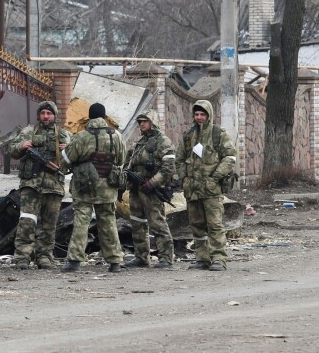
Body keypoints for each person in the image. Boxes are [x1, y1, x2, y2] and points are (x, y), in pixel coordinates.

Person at [60, 103, 125, 273]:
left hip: (84, 186)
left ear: (89, 117)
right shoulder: (116, 136)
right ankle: (115, 261)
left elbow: (66, 160)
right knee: (109, 222)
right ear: (104, 117)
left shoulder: (81, 136)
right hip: (108, 187)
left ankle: (74, 261)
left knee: (81, 222)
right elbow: (121, 160)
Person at [8, 101, 72, 269]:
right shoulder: (29, 131)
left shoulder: (64, 135)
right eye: (43, 113)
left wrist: (68, 151)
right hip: (31, 185)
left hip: (54, 186)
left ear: (55, 116)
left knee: (50, 224)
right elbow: (12, 150)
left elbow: (74, 161)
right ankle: (22, 256)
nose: (45, 116)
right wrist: (22, 145)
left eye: (49, 114)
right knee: (27, 222)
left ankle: (44, 256)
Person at [176, 100, 237, 272]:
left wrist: (215, 177)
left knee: (215, 225)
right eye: (196, 114)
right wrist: (184, 179)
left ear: (208, 115)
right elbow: (179, 158)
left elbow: (230, 157)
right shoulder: (188, 135)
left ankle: (218, 258)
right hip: (193, 189)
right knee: (197, 225)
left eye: (202, 114)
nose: (199, 117)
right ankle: (202, 258)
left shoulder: (218, 134)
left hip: (211, 189)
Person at [124, 110, 175, 268]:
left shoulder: (163, 141)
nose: (141, 124)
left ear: (152, 121)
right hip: (136, 189)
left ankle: (166, 257)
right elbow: (129, 163)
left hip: (152, 190)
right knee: (137, 222)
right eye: (140, 122)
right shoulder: (140, 142)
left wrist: (152, 183)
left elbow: (168, 168)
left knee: (157, 223)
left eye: (145, 121)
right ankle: (141, 256)